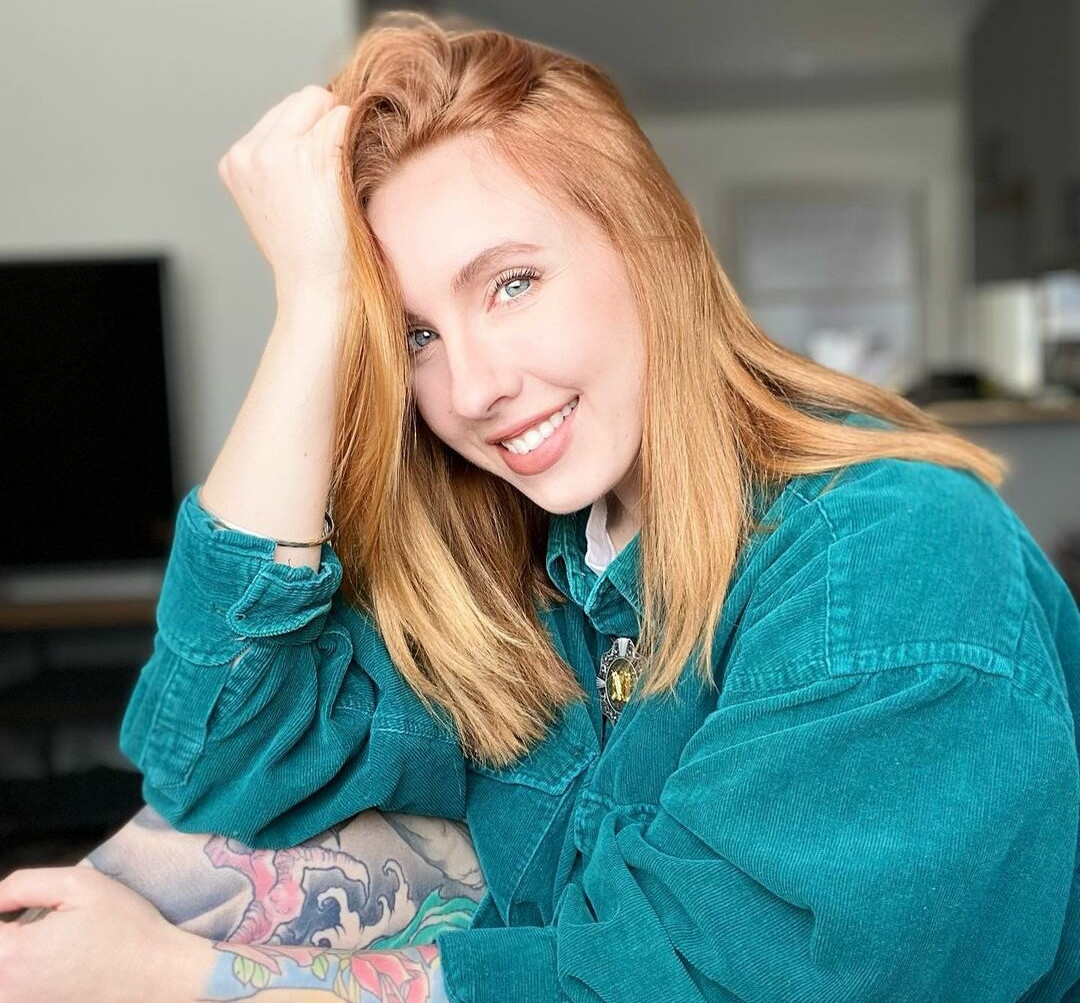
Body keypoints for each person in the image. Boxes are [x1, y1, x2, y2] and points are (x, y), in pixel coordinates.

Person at [1, 9, 1078, 1003]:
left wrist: (182, 979)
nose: (472, 390)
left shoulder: (887, 559)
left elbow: (703, 984)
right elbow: (213, 760)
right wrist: (312, 308)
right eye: (418, 336)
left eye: (511, 283)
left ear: (652, 246)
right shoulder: (537, 569)